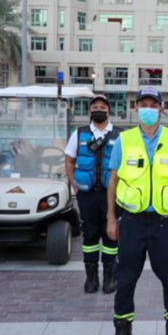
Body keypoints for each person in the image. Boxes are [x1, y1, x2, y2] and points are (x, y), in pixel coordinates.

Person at [104, 88, 168, 335]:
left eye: (153, 104)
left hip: (164, 223)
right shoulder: (124, 140)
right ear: (136, 107)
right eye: (143, 104)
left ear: (161, 108)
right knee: (125, 278)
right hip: (131, 222)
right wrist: (110, 217)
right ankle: (123, 333)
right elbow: (113, 181)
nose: (148, 108)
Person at [65, 94, 122, 294]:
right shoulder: (79, 134)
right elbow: (69, 160)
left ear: (109, 111)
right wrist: (74, 184)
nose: (99, 109)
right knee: (89, 237)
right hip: (87, 195)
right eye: (95, 106)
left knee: (111, 236)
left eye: (103, 107)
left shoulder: (120, 135)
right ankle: (91, 278)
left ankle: (109, 277)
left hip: (111, 195)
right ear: (90, 111)